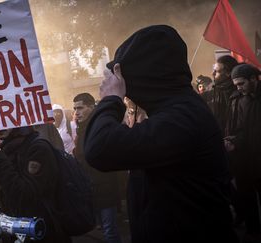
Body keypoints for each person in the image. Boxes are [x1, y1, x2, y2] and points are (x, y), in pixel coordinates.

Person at [84, 25, 238, 243]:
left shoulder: (182, 117)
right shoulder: (176, 110)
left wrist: (112, 99)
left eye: (124, 76)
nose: (123, 85)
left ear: (147, 75)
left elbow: (99, 148)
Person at [0, 126, 70, 242]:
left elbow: (25, 195)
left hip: (41, 229)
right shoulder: (5, 146)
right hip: (16, 229)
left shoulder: (38, 148)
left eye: (4, 122)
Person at [73, 93, 123, 243]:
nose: (77, 112)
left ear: (91, 107)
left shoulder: (99, 125)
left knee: (109, 231)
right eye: (75, 109)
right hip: (91, 188)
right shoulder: (81, 129)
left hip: (105, 187)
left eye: (80, 108)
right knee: (99, 231)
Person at [225, 64, 261, 242]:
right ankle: (253, 230)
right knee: (246, 196)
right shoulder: (236, 98)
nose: (238, 88)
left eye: (241, 84)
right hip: (244, 158)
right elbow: (237, 128)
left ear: (254, 79)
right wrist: (232, 141)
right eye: (236, 84)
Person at [211, 55, 238, 133]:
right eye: (213, 70)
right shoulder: (209, 95)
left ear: (228, 73)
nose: (212, 73)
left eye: (217, 71)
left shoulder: (241, 93)